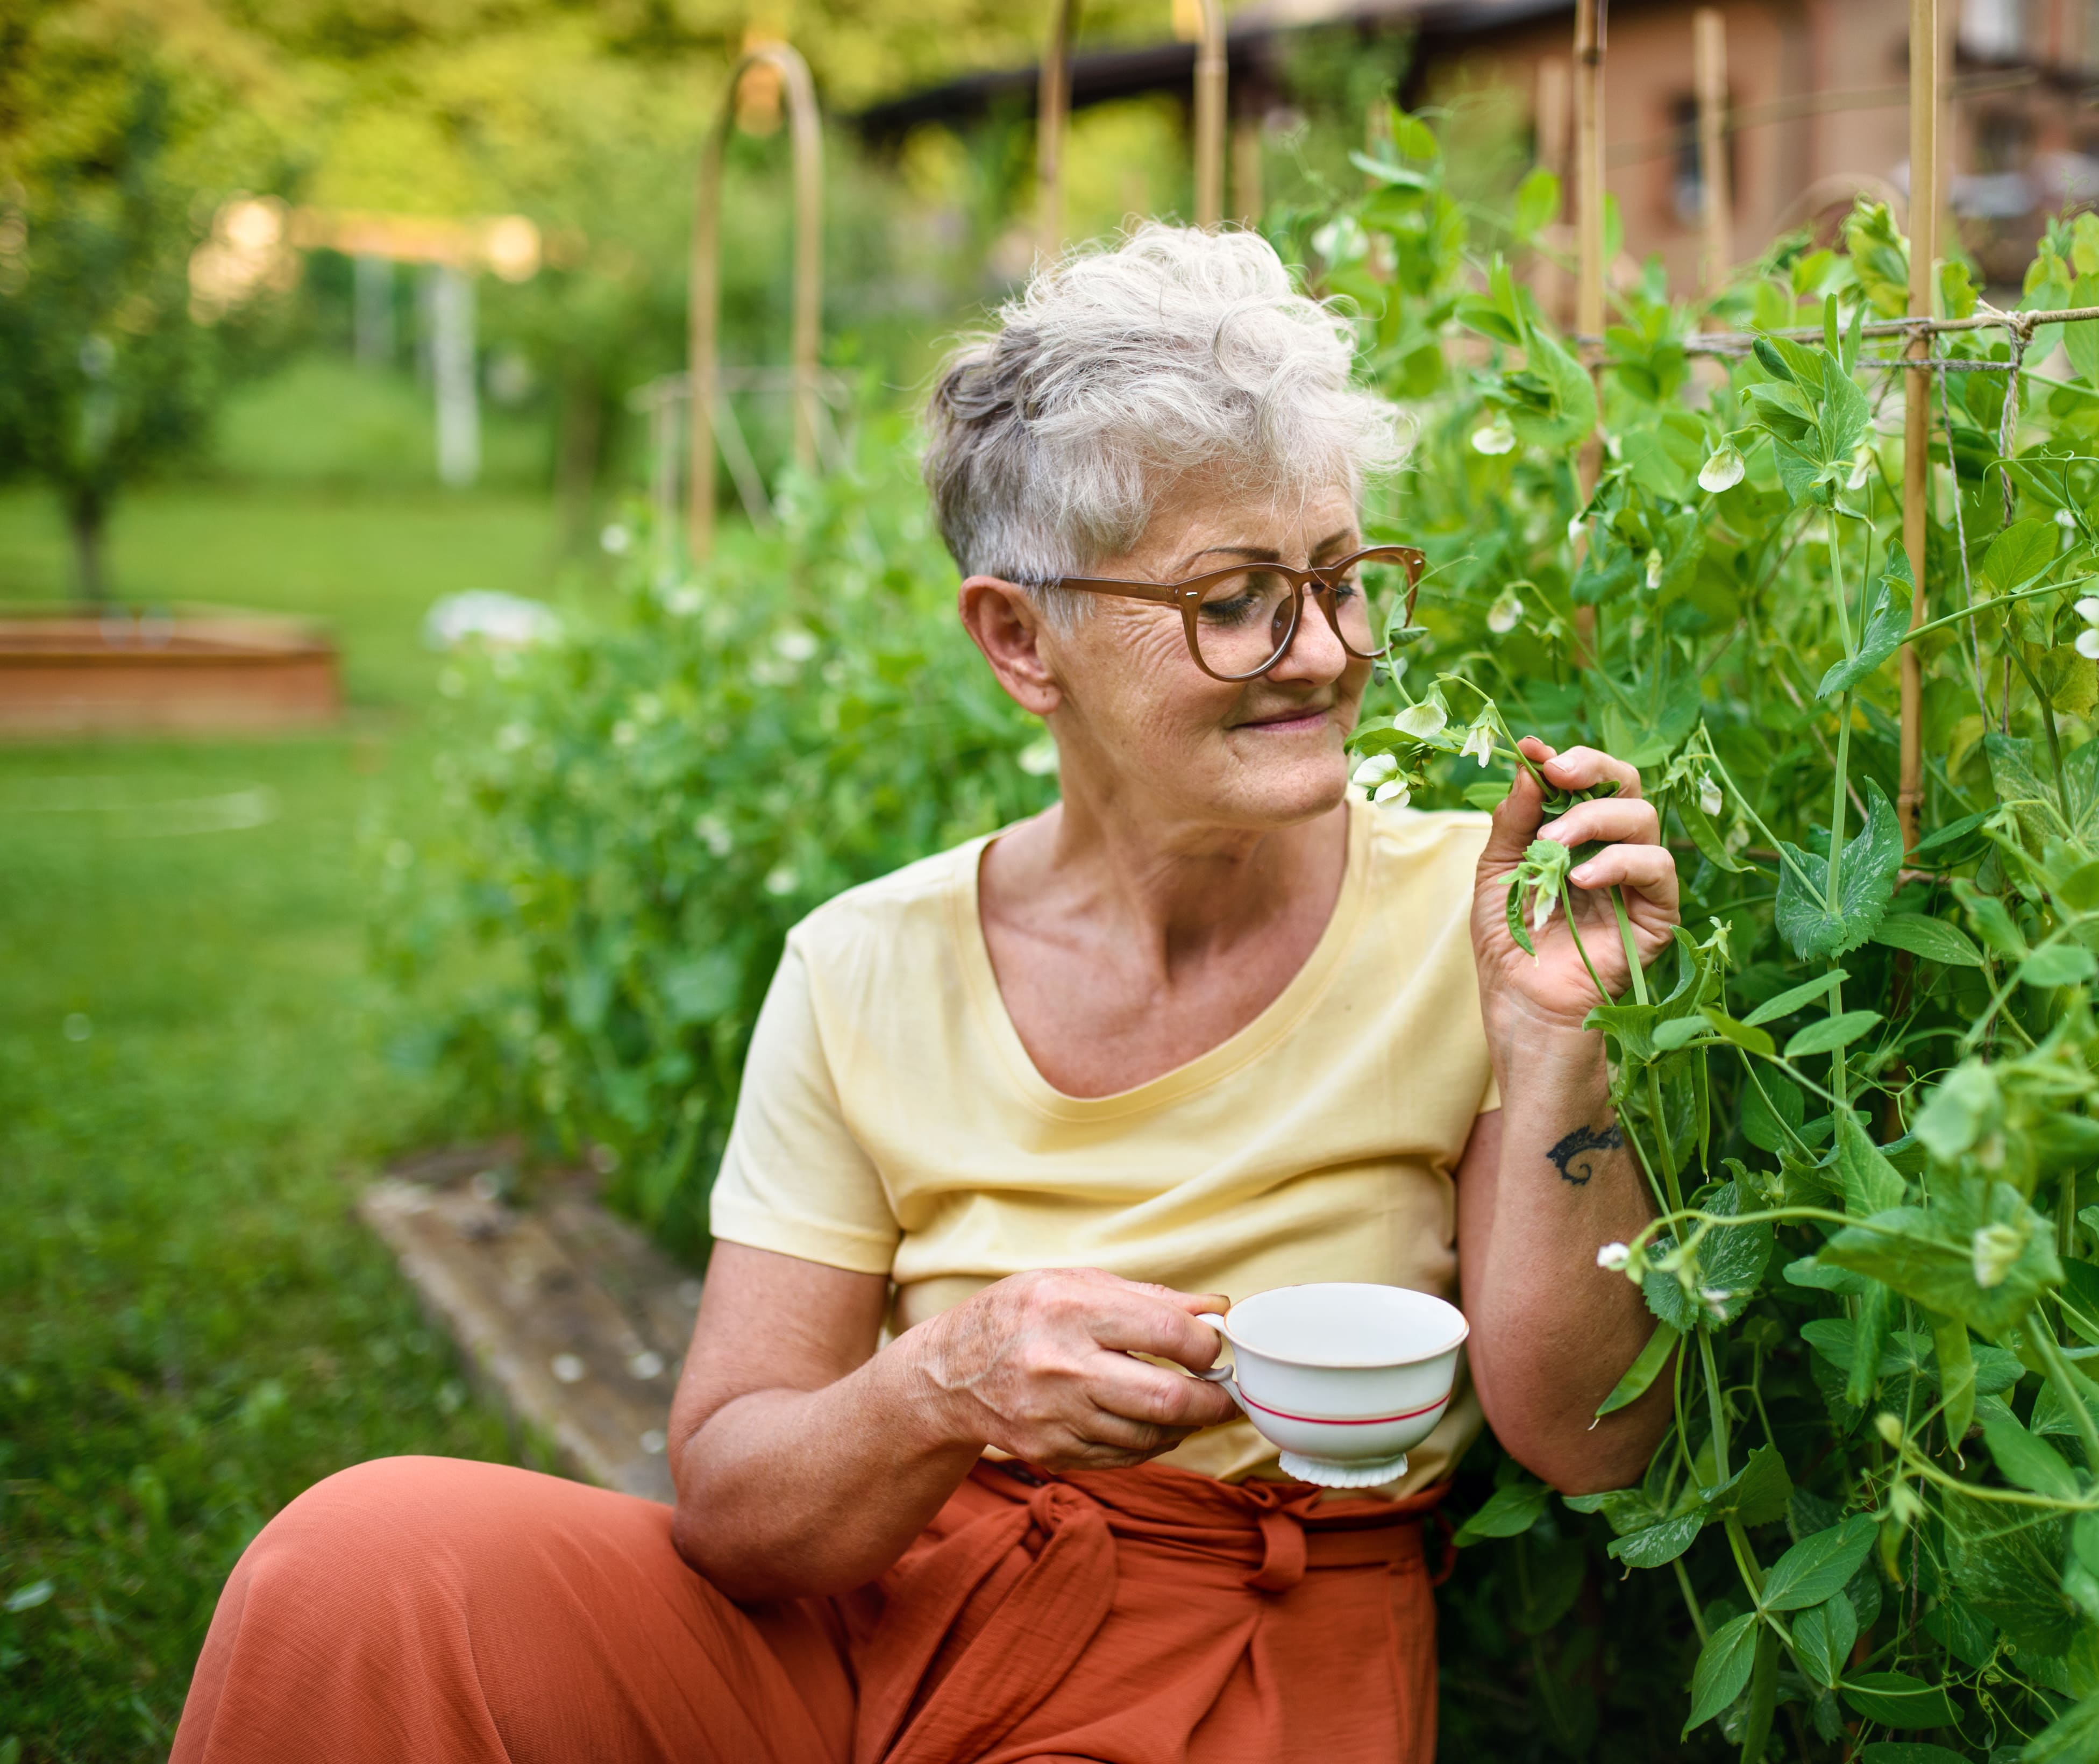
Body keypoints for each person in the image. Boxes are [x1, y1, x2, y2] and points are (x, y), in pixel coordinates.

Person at [172, 224, 1677, 1764]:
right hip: (884, 1615)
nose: (1327, 653)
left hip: (1251, 1653)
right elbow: (741, 1509)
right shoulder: (867, 962)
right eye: (1238, 600)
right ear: (1023, 640)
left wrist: (1566, 1055)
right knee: (363, 1562)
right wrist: (938, 1391)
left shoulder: (1484, 923)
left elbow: (1592, 1441)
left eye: (1347, 579)